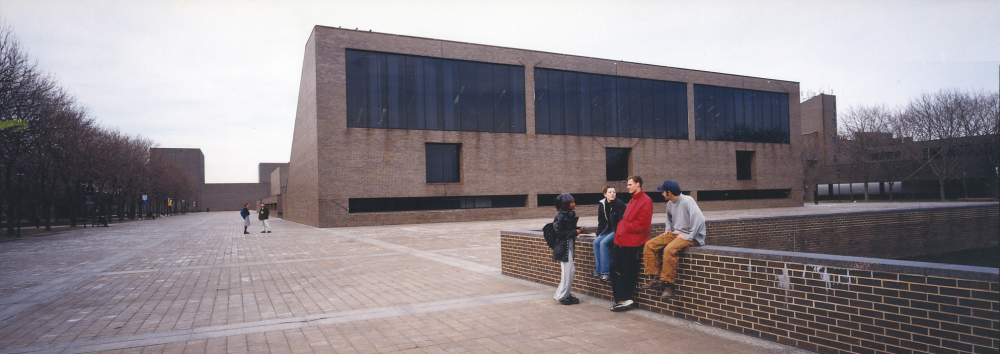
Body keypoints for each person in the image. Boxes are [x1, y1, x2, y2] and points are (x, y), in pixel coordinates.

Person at [642, 180, 706, 299]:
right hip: (676, 233)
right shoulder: (670, 203)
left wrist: (689, 236)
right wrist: (668, 229)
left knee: (669, 250)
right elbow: (669, 217)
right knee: (650, 245)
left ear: (669, 193)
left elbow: (700, 219)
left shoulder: (688, 200)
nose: (661, 194)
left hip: (691, 236)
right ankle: (656, 277)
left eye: (663, 192)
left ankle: (669, 286)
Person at [609, 175, 652, 312]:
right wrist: (622, 226)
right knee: (614, 269)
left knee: (629, 272)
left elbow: (642, 225)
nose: (627, 187)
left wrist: (624, 226)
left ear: (638, 184)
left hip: (632, 243)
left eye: (630, 184)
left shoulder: (646, 201)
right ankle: (622, 299)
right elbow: (627, 220)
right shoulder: (632, 200)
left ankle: (624, 299)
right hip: (620, 241)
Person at [551, 193, 585, 305]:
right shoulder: (560, 217)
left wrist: (576, 229)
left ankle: (567, 294)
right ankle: (561, 296)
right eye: (572, 202)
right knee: (567, 272)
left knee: (571, 271)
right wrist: (576, 232)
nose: (574, 204)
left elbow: (566, 229)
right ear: (565, 204)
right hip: (562, 247)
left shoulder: (568, 215)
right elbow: (559, 232)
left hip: (568, 245)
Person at [593, 185, 626, 281]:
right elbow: (601, 221)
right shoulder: (602, 204)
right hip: (607, 230)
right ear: (605, 194)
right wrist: (599, 233)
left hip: (617, 230)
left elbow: (622, 222)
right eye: (610, 192)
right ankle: (598, 269)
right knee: (596, 242)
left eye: (614, 192)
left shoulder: (619, 204)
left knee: (603, 243)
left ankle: (606, 272)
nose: (612, 194)